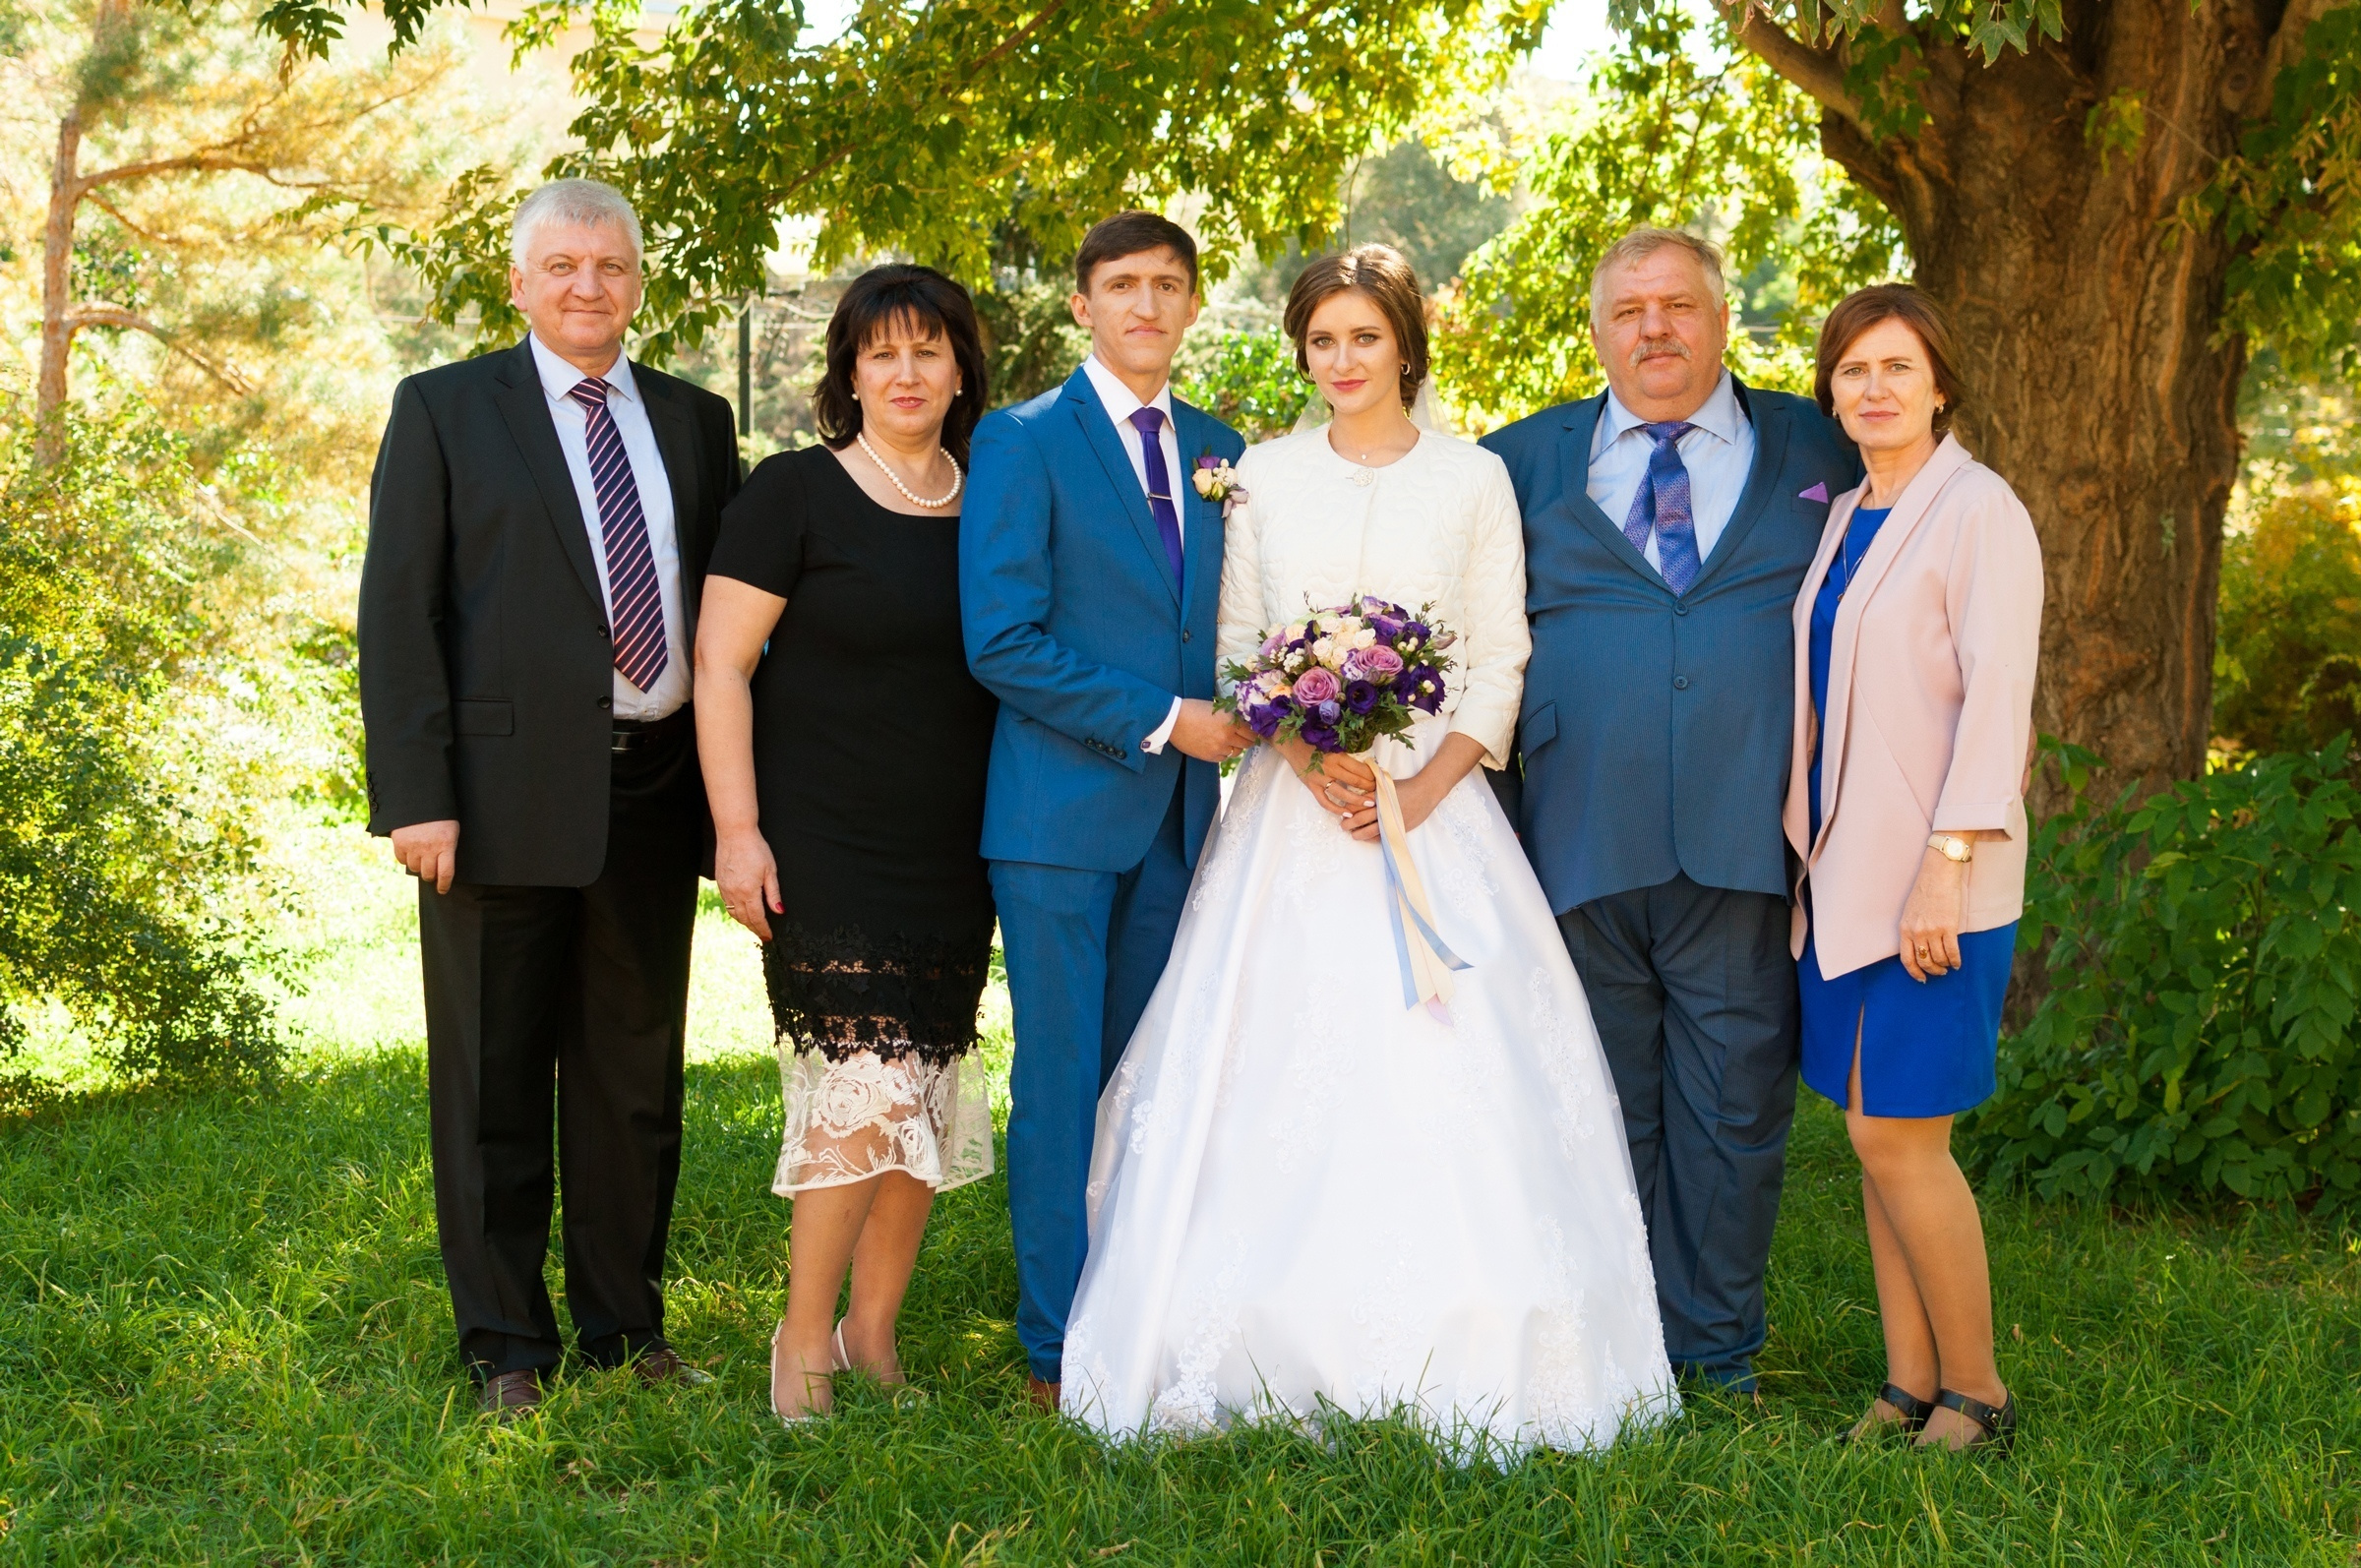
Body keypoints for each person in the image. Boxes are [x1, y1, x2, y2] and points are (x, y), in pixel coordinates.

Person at [1060, 245, 1677, 1458]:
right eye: (1322, 341)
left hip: (1440, 816)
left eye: (1364, 339)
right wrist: (1302, 754)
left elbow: (1500, 653)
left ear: (1406, 344)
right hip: (1294, 814)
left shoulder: (1474, 477)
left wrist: (1426, 787)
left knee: (1453, 1072)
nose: (1342, 362)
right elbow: (1239, 647)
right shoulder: (1263, 479)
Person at [358, 178, 741, 1417]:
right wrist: (418, 795)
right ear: (519, 282)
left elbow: (725, 619)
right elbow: (399, 614)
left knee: (635, 1084)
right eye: (563, 265)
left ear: (639, 282)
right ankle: (504, 1344)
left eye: (612, 266)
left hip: (655, 786)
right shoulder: (444, 408)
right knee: (494, 1080)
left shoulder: (696, 418)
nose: (589, 286)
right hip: (492, 800)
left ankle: (628, 1327)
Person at [1481, 227, 1860, 1395]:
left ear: (1720, 318)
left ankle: (1713, 1350)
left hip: (1751, 837)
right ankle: (1612, 1342)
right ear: (1595, 331)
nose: (1655, 328)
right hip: (1573, 837)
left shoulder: (1823, 443)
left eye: (1679, 306)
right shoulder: (1515, 462)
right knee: (1594, 1106)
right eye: (1629, 309)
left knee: (1734, 1113)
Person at [959, 211, 1255, 1413]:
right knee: (1065, 1079)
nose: (1146, 304)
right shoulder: (1020, 441)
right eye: (1122, 285)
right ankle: (1054, 1343)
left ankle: (1137, 1308)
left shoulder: (1223, 447)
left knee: (1152, 1084)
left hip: (1185, 826)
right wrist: (1163, 717)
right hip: (1059, 825)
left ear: (1191, 307)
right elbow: (1002, 641)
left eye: (1168, 285)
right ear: (1082, 304)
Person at [695, 265, 999, 1422]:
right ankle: (800, 1339)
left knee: (922, 1089)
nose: (908, 372)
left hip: (953, 846)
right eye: (883, 353)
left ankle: (874, 1335)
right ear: (851, 373)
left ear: (962, 367)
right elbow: (720, 664)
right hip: (825, 839)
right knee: (862, 1086)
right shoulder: (796, 493)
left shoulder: (994, 500)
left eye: (929, 350)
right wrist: (736, 830)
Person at [1785, 284, 2039, 1452]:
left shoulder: (1979, 510)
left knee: (1903, 1136)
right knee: (1868, 1128)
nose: (1873, 388)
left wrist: (1948, 864)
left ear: (1941, 384)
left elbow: (2000, 703)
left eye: (1897, 367)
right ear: (1832, 393)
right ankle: (1906, 1380)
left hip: (1934, 880)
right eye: (1852, 370)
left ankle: (1977, 1388)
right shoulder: (1849, 516)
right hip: (1843, 878)